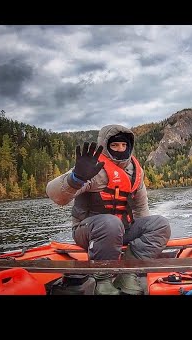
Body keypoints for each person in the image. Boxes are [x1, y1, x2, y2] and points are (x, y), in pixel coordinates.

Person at [46, 124, 171, 295]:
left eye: (124, 145)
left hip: (121, 230)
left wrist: (142, 236)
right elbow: (56, 195)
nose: (120, 149)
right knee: (110, 223)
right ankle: (102, 279)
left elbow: (141, 209)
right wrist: (76, 178)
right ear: (105, 145)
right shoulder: (92, 168)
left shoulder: (135, 172)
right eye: (114, 145)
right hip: (88, 231)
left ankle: (129, 272)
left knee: (160, 224)